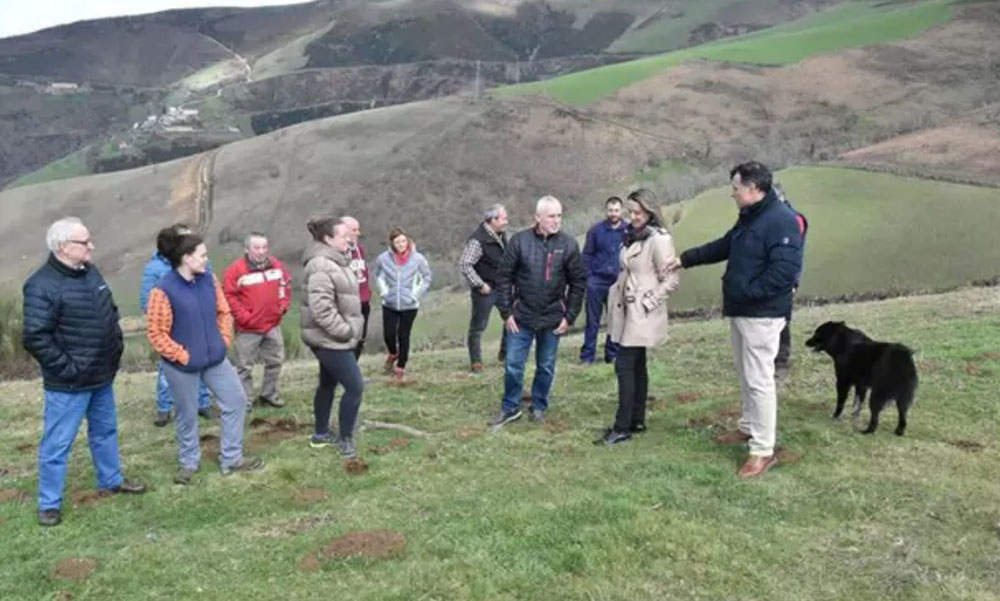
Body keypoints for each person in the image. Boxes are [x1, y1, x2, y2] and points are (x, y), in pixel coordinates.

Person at [667, 161, 803, 479]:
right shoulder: (750, 218)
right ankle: (748, 426)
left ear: (754, 189)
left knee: (759, 380)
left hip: (762, 315)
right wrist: (686, 259)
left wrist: (749, 291)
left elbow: (784, 272)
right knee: (746, 374)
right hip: (743, 311)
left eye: (736, 189)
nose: (733, 194)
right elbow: (725, 245)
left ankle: (762, 450)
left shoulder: (781, 221)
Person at [23, 217, 146, 527]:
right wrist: (70, 369)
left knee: (105, 432)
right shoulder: (40, 285)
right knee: (57, 444)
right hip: (68, 384)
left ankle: (112, 481)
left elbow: (109, 310)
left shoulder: (91, 273)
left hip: (101, 375)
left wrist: (115, 346)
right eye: (84, 242)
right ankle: (49, 504)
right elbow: (36, 337)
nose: (91, 246)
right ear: (63, 247)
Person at [146, 232, 263, 485]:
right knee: (187, 415)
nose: (207, 259)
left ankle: (232, 458)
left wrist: (222, 340)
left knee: (236, 401)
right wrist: (182, 355)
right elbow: (156, 333)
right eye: (203, 255)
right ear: (187, 258)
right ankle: (189, 462)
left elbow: (224, 312)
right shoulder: (163, 290)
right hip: (182, 367)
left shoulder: (209, 280)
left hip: (215, 359)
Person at [490, 195, 586, 427]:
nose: (556, 220)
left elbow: (578, 283)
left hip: (553, 317)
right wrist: (506, 313)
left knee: (546, 366)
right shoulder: (519, 241)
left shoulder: (569, 244)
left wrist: (569, 316)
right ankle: (511, 407)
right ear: (538, 218)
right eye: (551, 216)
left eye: (559, 215)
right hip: (521, 316)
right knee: (513, 364)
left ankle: (539, 406)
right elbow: (503, 278)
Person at [598, 189, 680, 445]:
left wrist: (648, 302)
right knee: (636, 365)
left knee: (624, 365)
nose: (632, 216)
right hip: (625, 308)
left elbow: (672, 279)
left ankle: (622, 426)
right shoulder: (633, 235)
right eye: (630, 211)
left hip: (639, 312)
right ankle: (636, 419)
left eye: (638, 212)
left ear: (650, 211)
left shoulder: (659, 239)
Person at [300, 217, 366, 458]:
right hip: (329, 339)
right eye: (342, 235)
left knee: (327, 383)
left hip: (330, 337)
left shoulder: (337, 260)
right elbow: (321, 309)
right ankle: (345, 439)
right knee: (355, 387)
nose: (348, 239)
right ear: (328, 239)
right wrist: (346, 331)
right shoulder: (321, 265)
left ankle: (320, 434)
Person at [140, 223, 213, 426]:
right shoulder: (155, 268)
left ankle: (203, 403)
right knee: (168, 369)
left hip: (198, 326)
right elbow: (147, 301)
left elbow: (211, 294)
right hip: (171, 330)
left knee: (202, 362)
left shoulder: (202, 264)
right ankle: (165, 408)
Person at [223, 232, 292, 410]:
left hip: (272, 324)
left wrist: (282, 307)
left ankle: (269, 394)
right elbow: (229, 296)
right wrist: (244, 317)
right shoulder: (235, 270)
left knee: (275, 361)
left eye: (264, 247)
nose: (261, 252)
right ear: (247, 249)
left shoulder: (277, 265)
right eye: (257, 248)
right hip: (248, 329)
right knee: (244, 366)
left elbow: (285, 285)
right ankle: (245, 400)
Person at [373, 227, 433, 381]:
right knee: (389, 335)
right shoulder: (383, 259)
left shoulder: (418, 259)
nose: (401, 244)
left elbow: (427, 278)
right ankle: (393, 353)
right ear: (392, 244)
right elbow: (377, 275)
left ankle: (400, 367)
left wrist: (416, 295)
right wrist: (384, 292)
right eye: (397, 242)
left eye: (403, 241)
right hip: (390, 303)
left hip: (409, 305)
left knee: (404, 335)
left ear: (408, 241)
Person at [458, 204, 509, 373]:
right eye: (503, 218)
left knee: (512, 319)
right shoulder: (477, 240)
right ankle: (476, 362)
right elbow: (465, 264)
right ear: (493, 220)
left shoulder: (501, 236)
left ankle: (505, 354)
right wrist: (480, 285)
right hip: (485, 291)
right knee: (478, 327)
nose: (506, 221)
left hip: (502, 287)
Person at [580, 196, 627, 365]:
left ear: (621, 211)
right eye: (610, 210)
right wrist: (589, 276)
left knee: (615, 320)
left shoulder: (629, 231)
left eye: (616, 210)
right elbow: (586, 255)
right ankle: (587, 356)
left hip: (618, 282)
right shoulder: (595, 231)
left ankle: (612, 354)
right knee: (592, 321)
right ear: (606, 211)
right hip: (596, 281)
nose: (613, 213)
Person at [771, 183, 808, 378]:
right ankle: (773, 356)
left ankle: (782, 358)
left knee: (782, 318)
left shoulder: (794, 220)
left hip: (785, 276)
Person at [341, 216, 372, 359]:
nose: (358, 233)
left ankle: (353, 371)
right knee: (347, 339)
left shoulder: (360, 250)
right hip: (348, 303)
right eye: (354, 230)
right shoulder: (337, 253)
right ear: (344, 231)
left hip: (363, 301)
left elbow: (364, 272)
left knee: (361, 338)